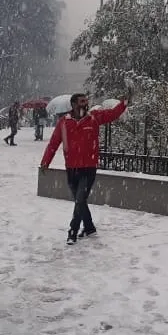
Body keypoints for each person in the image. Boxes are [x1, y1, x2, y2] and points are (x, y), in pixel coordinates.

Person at [40, 92, 129, 245]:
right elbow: (53, 143)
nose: (85, 104)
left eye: (86, 101)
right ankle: (89, 227)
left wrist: (124, 103)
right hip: (72, 168)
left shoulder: (93, 118)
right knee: (79, 201)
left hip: (89, 167)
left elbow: (112, 114)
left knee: (80, 199)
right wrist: (45, 162)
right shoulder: (64, 122)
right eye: (82, 102)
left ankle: (72, 231)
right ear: (73, 104)